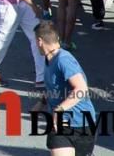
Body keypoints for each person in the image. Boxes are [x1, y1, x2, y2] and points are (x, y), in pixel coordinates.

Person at [34, 21, 98, 156]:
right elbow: (55, 85)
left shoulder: (64, 59)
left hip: (82, 123)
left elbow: (81, 89)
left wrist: (59, 110)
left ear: (40, 41)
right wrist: (42, 102)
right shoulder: (49, 59)